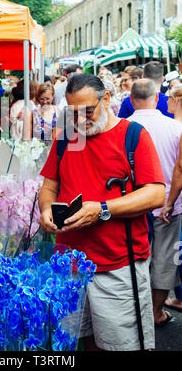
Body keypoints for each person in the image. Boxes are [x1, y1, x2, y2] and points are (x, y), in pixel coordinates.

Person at [39, 73, 165, 351]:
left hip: (117, 267)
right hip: (70, 268)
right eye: (73, 113)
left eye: (87, 111)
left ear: (106, 99)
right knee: (82, 342)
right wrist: (46, 210)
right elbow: (49, 187)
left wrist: (104, 209)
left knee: (122, 345)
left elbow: (156, 193)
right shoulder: (65, 138)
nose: (81, 120)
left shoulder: (133, 135)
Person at [128, 79, 182, 326]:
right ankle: (155, 313)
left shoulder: (123, 127)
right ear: (158, 97)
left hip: (132, 204)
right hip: (168, 203)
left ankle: (133, 311)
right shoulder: (174, 127)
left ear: (130, 99)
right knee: (163, 258)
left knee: (132, 257)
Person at [160, 83, 182, 313]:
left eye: (168, 98)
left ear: (176, 99)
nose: (165, 101)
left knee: (177, 251)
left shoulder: (176, 127)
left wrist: (170, 202)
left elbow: (180, 169)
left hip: (177, 202)